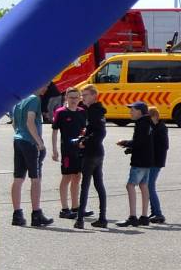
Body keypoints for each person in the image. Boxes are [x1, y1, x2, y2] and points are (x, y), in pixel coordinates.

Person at [8, 89, 51, 228]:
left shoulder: (20, 99)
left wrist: (20, 134)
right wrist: (39, 142)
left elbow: (14, 122)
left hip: (18, 139)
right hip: (30, 142)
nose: (46, 87)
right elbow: (30, 121)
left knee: (18, 178)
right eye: (45, 84)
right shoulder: (34, 100)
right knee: (35, 178)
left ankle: (17, 214)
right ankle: (36, 213)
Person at [74, 84, 110, 229]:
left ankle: (80, 219)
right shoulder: (89, 110)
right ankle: (102, 218)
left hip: (93, 152)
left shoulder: (96, 112)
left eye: (86, 95)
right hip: (95, 151)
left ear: (94, 96)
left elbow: (100, 133)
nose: (83, 98)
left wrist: (85, 141)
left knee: (87, 185)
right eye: (82, 95)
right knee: (97, 184)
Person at [118, 102, 157, 227]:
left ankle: (133, 216)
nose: (130, 112)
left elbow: (139, 141)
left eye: (133, 110)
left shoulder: (141, 123)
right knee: (143, 185)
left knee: (130, 186)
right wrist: (131, 148)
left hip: (140, 160)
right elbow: (145, 142)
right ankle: (144, 216)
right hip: (148, 159)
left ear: (140, 111)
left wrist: (125, 143)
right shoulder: (149, 123)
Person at [51, 87, 86, 219]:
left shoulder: (82, 112)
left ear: (80, 98)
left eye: (76, 97)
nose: (74, 100)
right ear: (66, 98)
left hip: (80, 149)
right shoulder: (60, 112)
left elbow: (84, 129)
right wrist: (54, 150)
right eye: (71, 97)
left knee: (77, 177)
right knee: (67, 177)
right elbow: (54, 132)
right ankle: (64, 208)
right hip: (67, 150)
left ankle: (75, 207)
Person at [146, 110, 170, 225]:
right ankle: (154, 211)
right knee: (148, 185)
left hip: (156, 161)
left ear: (155, 116)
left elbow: (164, 146)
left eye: (148, 117)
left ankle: (158, 213)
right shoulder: (155, 127)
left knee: (150, 186)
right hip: (153, 160)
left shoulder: (160, 128)